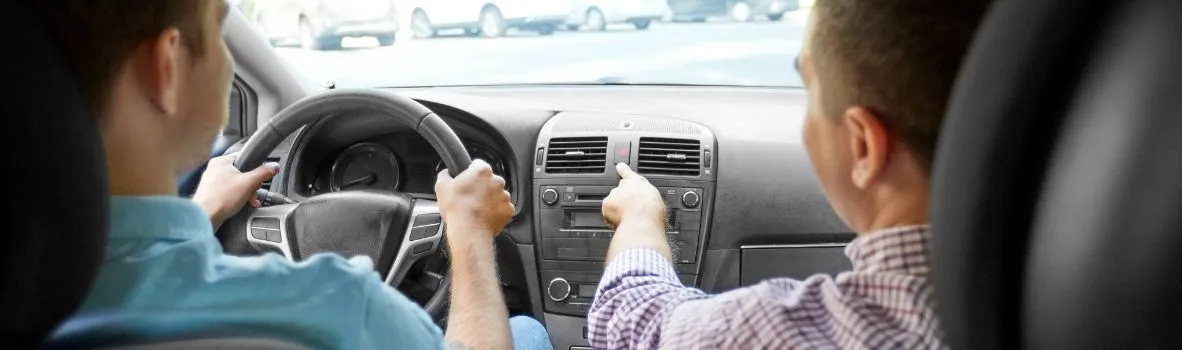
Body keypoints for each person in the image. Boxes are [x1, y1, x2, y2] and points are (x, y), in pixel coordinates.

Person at [33, 1, 548, 349]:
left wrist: (202, 210)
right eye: (218, 32)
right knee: (523, 330)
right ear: (165, 67)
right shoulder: (329, 306)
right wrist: (470, 234)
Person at [588, 0, 991, 348]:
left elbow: (633, 326)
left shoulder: (789, 332)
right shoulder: (1042, 293)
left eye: (810, 92)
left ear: (864, 146)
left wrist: (640, 218)